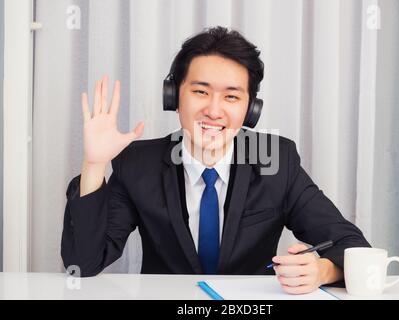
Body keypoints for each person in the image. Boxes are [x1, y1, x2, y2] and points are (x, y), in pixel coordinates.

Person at [61, 26, 370, 294]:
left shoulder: (277, 161)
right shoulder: (137, 164)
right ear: (174, 98)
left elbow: (352, 247)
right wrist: (95, 164)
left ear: (251, 110)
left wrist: (322, 271)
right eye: (200, 91)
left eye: (231, 97)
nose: (213, 109)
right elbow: (82, 263)